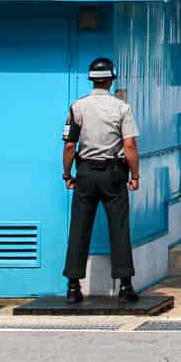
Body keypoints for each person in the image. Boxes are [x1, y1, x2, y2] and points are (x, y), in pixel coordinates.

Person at [61, 56, 141, 303]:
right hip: (114, 174)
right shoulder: (122, 108)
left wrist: (67, 174)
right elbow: (129, 144)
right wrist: (135, 175)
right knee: (118, 227)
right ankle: (125, 286)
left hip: (85, 173)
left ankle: (74, 287)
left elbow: (69, 145)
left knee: (79, 227)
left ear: (91, 80)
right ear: (112, 78)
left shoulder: (77, 107)